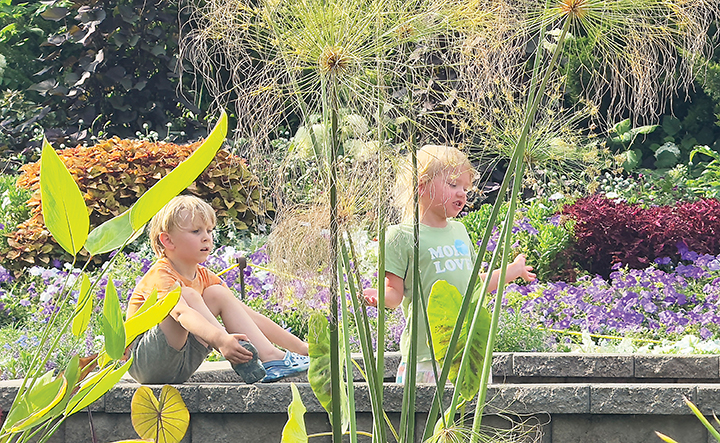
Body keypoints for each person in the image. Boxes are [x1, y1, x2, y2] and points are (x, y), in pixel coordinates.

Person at [363, 145, 536, 384]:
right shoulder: (401, 236)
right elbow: (394, 295)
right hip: (425, 358)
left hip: (467, 355)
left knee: (468, 420)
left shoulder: (460, 231)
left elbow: (473, 286)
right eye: (453, 184)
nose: (462, 194)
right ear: (421, 186)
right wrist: (376, 296)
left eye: (465, 188)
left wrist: (512, 271)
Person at [126, 195, 309, 384]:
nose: (206, 237)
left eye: (209, 230)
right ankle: (244, 351)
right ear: (168, 241)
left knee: (217, 294)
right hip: (145, 363)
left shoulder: (204, 276)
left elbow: (248, 315)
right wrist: (221, 340)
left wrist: (302, 348)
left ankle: (271, 358)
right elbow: (181, 313)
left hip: (182, 364)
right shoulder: (161, 274)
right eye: (196, 231)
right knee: (187, 295)